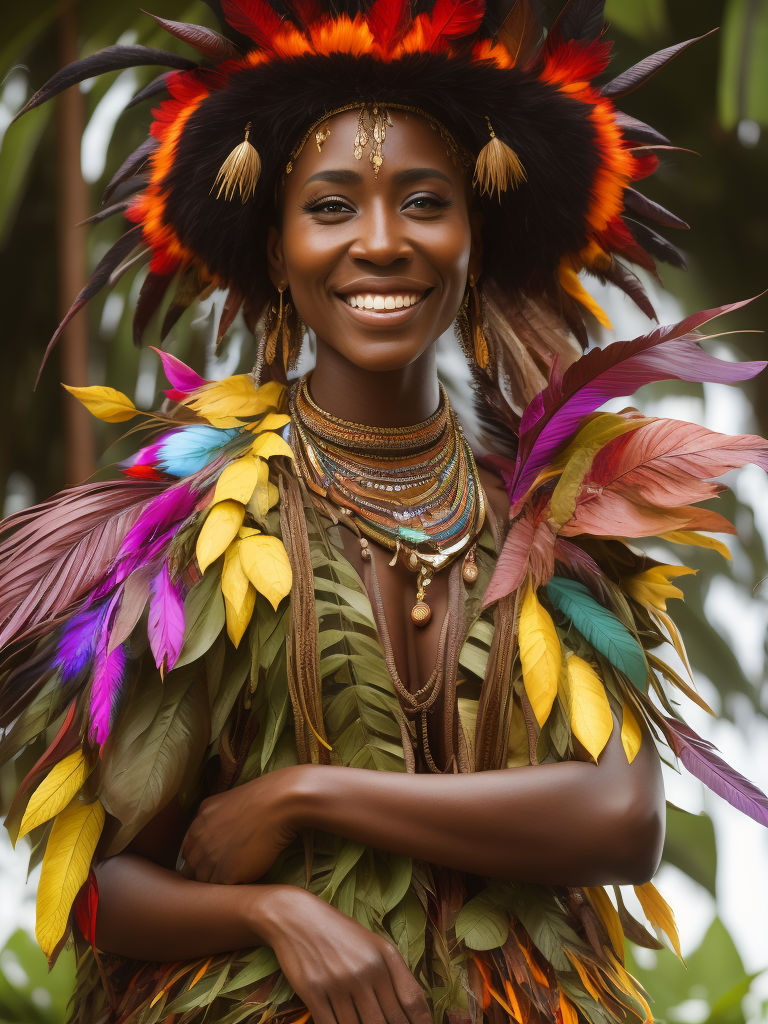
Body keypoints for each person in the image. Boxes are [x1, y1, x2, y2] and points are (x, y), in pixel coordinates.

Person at [2, 3, 767, 1024]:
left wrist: (304, 793)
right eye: (329, 208)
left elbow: (620, 815)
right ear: (276, 254)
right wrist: (276, 914)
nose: (379, 243)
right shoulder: (190, 531)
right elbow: (95, 884)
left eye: (422, 201)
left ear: (474, 239)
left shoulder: (555, 511)